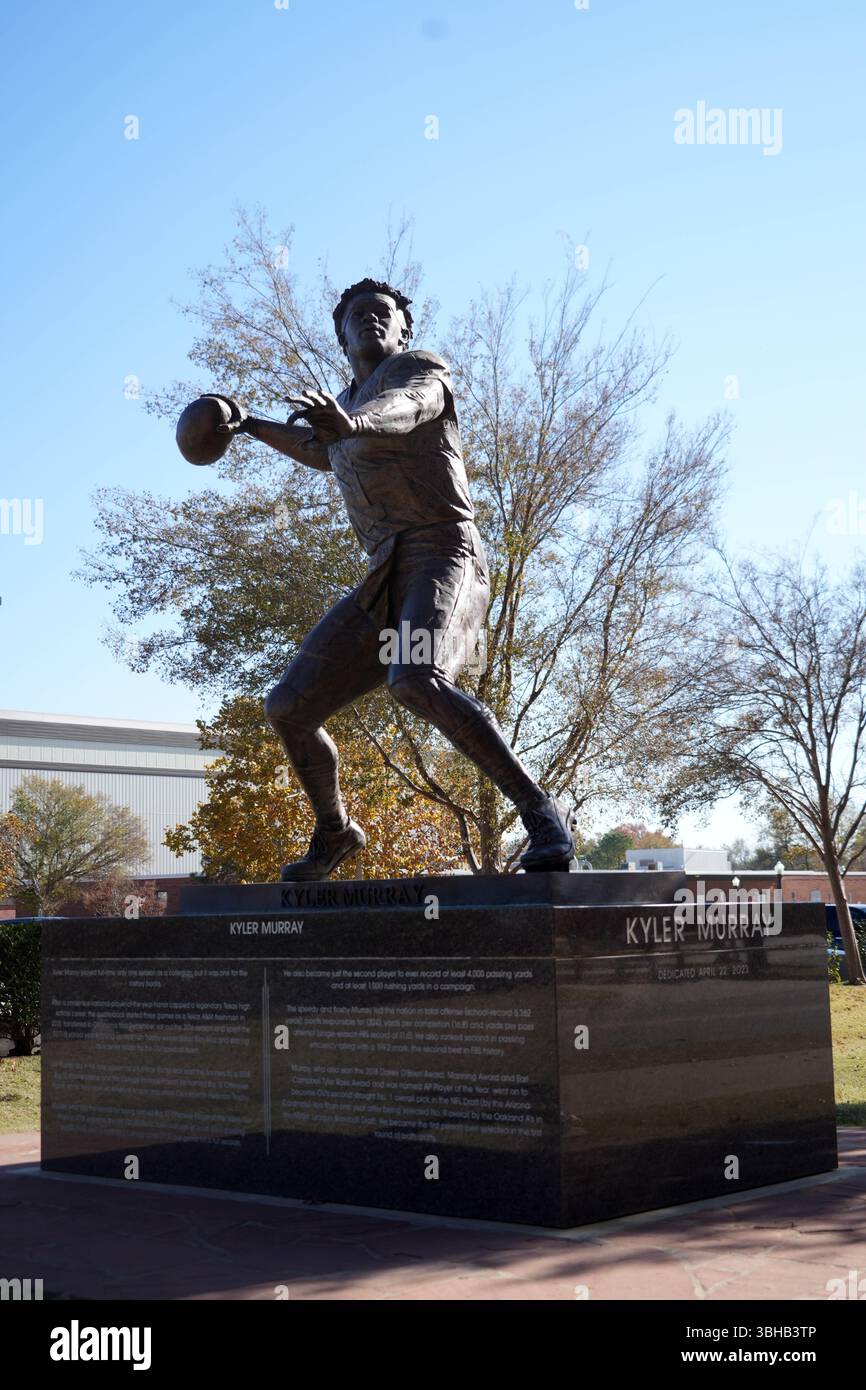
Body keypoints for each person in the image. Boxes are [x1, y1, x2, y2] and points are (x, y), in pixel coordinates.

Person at [220, 278, 575, 880]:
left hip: (444, 554)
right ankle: (334, 834)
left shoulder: (419, 370)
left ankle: (542, 815)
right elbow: (317, 447)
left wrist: (352, 425)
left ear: (403, 328)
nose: (369, 321)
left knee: (415, 677)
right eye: (356, 315)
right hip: (385, 571)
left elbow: (407, 410)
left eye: (381, 313)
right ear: (340, 335)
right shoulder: (342, 407)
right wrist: (247, 423)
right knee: (289, 707)